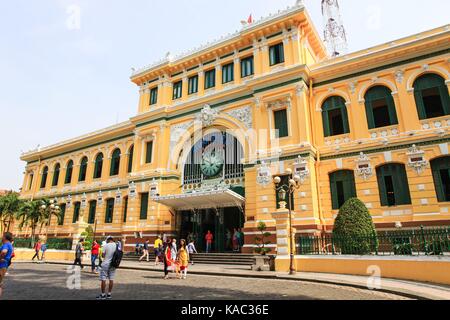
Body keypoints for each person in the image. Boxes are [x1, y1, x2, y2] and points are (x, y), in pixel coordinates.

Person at [97, 236, 117, 300]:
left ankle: (103, 295)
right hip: (113, 264)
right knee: (111, 279)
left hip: (105, 264)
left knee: (103, 279)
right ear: (112, 240)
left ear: (108, 240)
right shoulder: (116, 245)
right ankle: (109, 294)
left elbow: (103, 255)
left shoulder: (105, 245)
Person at [0, 232, 13, 298]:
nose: (1, 237)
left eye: (2, 236)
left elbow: (4, 251)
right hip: (4, 265)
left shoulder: (6, 244)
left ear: (5, 237)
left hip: (1, 265)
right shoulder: (9, 244)